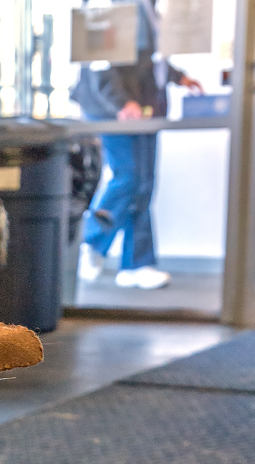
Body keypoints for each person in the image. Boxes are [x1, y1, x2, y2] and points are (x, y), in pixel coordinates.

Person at [74, 0, 202, 290]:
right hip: (113, 109)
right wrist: (121, 103)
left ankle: (136, 263)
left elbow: (147, 59)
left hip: (144, 107)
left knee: (144, 183)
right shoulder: (110, 3)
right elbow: (99, 60)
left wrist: (178, 76)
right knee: (128, 177)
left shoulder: (149, 7)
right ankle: (92, 241)